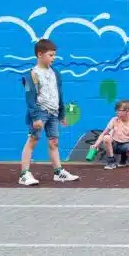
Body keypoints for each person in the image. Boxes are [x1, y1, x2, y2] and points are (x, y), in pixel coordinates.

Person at [19, 39, 79, 186]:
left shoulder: (55, 73)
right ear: (40, 54)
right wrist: (35, 117)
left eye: (54, 55)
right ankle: (24, 174)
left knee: (54, 142)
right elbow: (30, 98)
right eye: (50, 55)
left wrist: (61, 114)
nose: (54, 58)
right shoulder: (30, 75)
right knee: (33, 140)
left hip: (54, 113)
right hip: (40, 112)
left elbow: (59, 94)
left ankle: (58, 172)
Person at [90, 99, 129, 170]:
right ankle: (111, 162)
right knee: (106, 137)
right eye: (116, 110)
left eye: (119, 110)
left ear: (127, 111)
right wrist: (96, 144)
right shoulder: (114, 120)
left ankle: (124, 158)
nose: (116, 112)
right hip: (114, 144)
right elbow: (104, 133)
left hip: (125, 145)